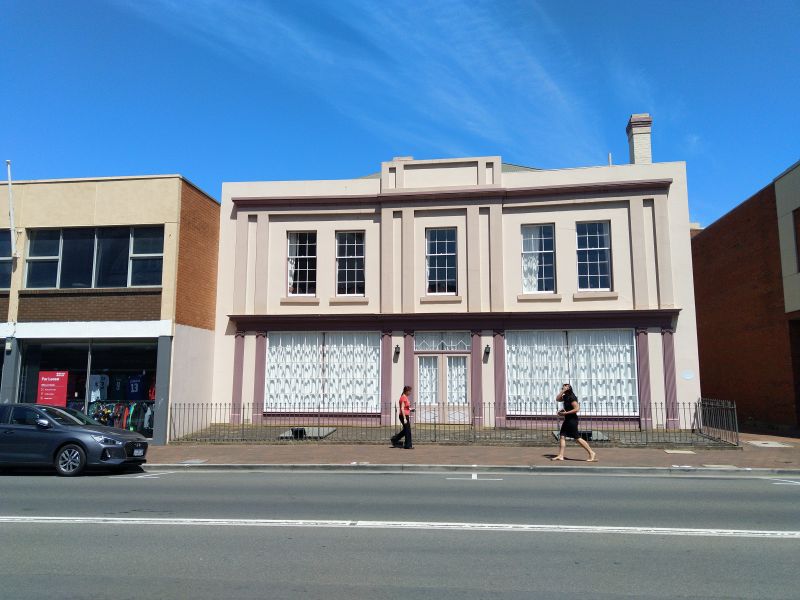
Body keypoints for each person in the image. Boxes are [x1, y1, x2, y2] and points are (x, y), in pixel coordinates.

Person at [551, 383, 597, 462]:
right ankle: (561, 455)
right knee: (562, 436)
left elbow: (577, 409)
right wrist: (562, 391)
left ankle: (591, 452)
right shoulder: (565, 396)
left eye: (565, 387)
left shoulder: (572, 397)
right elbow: (557, 399)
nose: (563, 388)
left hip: (572, 420)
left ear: (569, 388)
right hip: (567, 419)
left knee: (577, 438)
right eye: (562, 387)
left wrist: (565, 413)